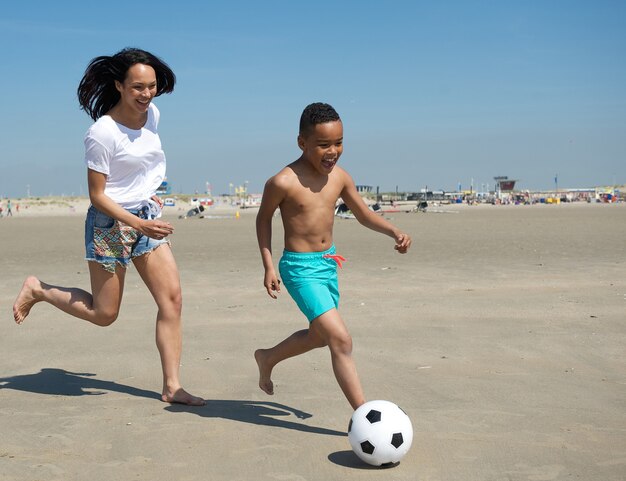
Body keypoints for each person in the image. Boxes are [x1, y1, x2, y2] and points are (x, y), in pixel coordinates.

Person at [12, 48, 204, 406]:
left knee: (172, 300)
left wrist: (147, 215)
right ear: (119, 85)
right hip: (110, 224)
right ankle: (38, 289)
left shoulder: (152, 115)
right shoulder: (101, 133)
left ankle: (172, 386)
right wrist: (137, 224)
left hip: (146, 216)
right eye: (138, 87)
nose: (146, 94)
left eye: (152, 86)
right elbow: (98, 196)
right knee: (105, 314)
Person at [254, 102, 411, 410]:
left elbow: (364, 214)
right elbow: (262, 220)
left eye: (339, 143)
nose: (333, 151)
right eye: (323, 145)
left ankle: (267, 357)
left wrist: (394, 231)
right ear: (302, 143)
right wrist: (268, 265)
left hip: (328, 265)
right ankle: (365, 414)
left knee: (319, 336)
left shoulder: (339, 178)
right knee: (341, 339)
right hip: (298, 269)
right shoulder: (282, 181)